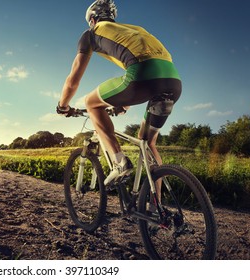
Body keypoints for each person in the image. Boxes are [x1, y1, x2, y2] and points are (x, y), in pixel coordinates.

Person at [57, 0, 182, 185]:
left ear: (92, 19)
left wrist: (63, 105)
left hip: (141, 76)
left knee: (91, 102)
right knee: (147, 142)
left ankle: (119, 163)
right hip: (173, 81)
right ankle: (157, 207)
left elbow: (73, 80)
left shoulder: (91, 33)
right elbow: (144, 58)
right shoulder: (134, 29)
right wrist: (123, 104)